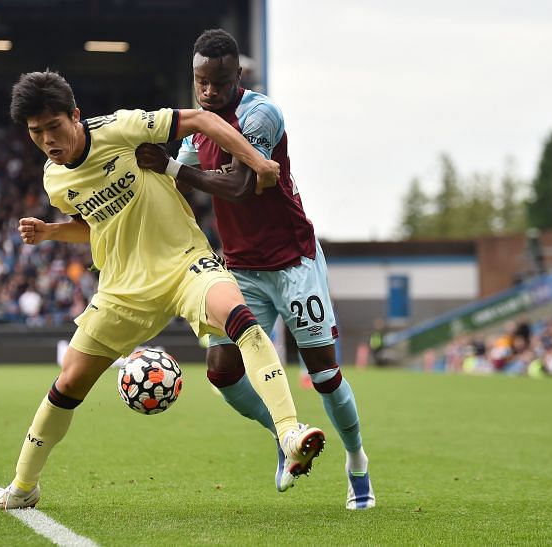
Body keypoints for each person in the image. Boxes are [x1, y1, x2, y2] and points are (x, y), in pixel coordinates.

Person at [0, 70, 325, 512]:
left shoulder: (120, 128)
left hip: (184, 264)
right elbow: (96, 225)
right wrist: (50, 232)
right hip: (122, 290)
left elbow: (201, 120)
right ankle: (23, 488)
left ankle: (288, 431)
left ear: (75, 116)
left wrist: (255, 159)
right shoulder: (54, 181)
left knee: (241, 320)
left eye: (54, 127)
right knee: (67, 384)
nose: (47, 140)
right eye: (36, 132)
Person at [135, 28, 375, 509]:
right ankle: (286, 435)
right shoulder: (199, 123)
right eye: (200, 81)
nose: (208, 91)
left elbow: (241, 184)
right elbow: (180, 184)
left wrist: (174, 169)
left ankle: (357, 464)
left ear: (237, 75)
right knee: (222, 372)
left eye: (218, 82)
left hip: (292, 260)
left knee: (323, 374)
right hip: (241, 265)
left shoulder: (259, 114)